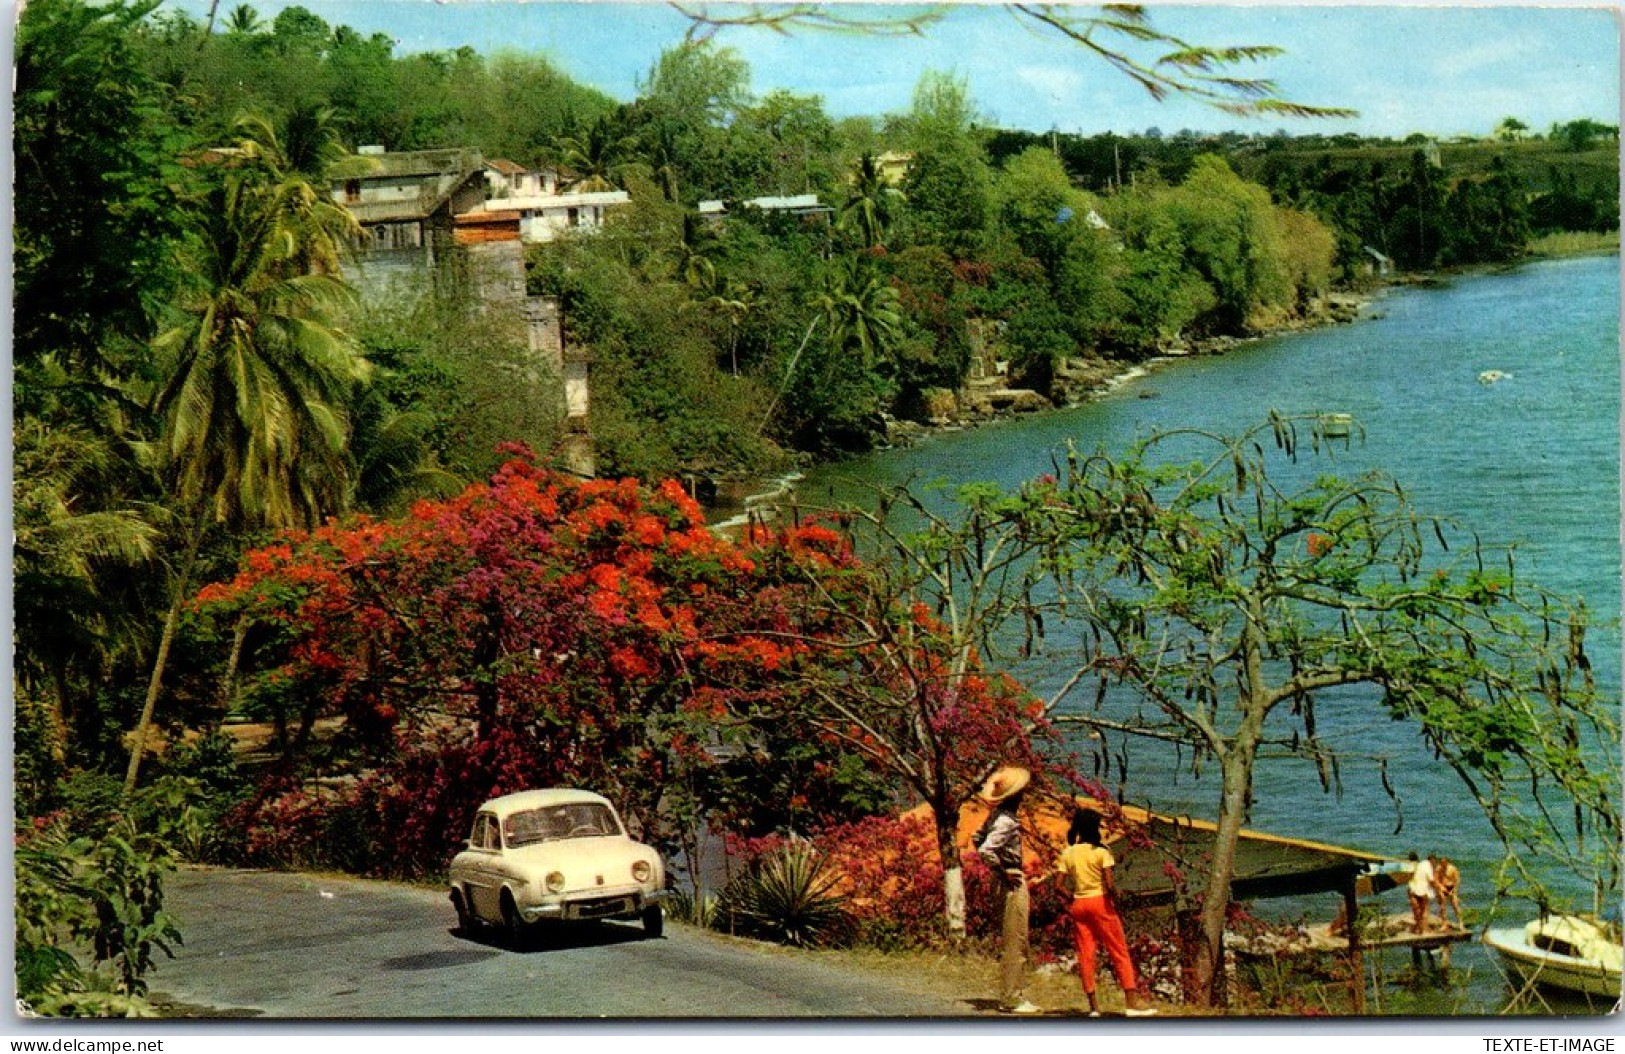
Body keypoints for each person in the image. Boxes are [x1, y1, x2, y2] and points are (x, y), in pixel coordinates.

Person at [1051, 807, 1157, 1017]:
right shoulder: (1102, 852)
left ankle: (1093, 1007)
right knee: (1119, 951)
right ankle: (1131, 1005)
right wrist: (1116, 898)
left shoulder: (1068, 852)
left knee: (1086, 954)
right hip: (1100, 902)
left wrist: (1072, 896)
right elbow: (1109, 884)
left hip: (1079, 904)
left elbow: (1058, 886)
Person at [976, 765, 1040, 1015]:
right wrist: (1003, 870)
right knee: (1017, 938)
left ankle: (1012, 993)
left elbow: (977, 838)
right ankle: (1012, 997)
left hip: (1002, 879)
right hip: (1011, 879)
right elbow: (984, 849)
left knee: (1013, 937)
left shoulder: (996, 816)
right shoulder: (1006, 821)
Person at [1406, 851, 1435, 934]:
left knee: (1416, 910)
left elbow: (1409, 879)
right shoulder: (1425, 865)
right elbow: (1431, 879)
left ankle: (1418, 927)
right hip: (1422, 890)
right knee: (1425, 909)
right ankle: (1424, 928)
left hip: (1412, 890)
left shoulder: (1408, 867)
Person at [1433, 856, 1463, 929]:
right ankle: (1444, 923)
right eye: (1441, 863)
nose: (1442, 865)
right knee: (1442, 906)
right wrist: (1441, 887)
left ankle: (1460, 922)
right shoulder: (1438, 869)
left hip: (1451, 887)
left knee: (1455, 905)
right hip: (1443, 887)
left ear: (1447, 862)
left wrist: (1453, 890)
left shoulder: (1452, 868)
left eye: (1444, 863)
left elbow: (1457, 880)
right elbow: (1436, 880)